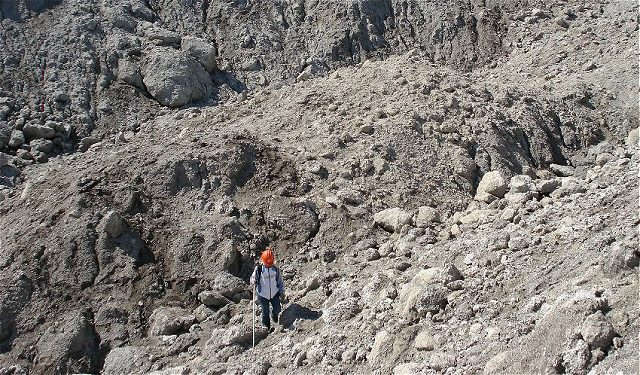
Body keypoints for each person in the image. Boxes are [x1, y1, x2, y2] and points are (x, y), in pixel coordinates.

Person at [250, 248, 285, 332]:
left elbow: (280, 281)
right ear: (263, 261)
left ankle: (274, 315)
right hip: (262, 295)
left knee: (277, 309)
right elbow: (252, 279)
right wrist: (253, 281)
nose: (269, 265)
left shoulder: (275, 269)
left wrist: (282, 291)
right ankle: (266, 327)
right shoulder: (259, 269)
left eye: (270, 263)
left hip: (274, 293)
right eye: (267, 263)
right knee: (265, 312)